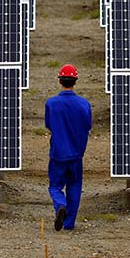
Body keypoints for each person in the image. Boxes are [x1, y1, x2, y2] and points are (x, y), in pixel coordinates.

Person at [44, 64, 92, 231]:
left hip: (58, 153)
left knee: (55, 186)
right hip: (76, 153)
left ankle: (60, 205)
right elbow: (88, 126)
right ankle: (69, 223)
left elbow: (49, 125)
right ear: (75, 81)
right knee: (74, 186)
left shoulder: (51, 103)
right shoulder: (84, 104)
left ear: (60, 81)